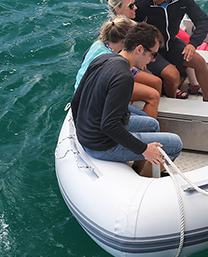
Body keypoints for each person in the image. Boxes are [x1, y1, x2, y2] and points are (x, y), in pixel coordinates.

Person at [71, 22, 182, 178]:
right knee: (175, 144)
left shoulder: (103, 58)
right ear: (139, 49)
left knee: (152, 124)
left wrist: (82, 131)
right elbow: (109, 125)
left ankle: (138, 166)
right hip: (102, 144)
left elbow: (77, 99)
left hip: (88, 133)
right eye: (153, 54)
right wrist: (144, 149)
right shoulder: (123, 77)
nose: (153, 60)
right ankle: (146, 180)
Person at [134, 0, 208, 103]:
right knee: (173, 75)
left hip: (170, 43)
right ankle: (172, 104)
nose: (154, 0)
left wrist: (193, 43)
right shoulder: (142, 1)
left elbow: (202, 20)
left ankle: (207, 97)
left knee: (200, 63)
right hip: (150, 49)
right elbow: (126, 23)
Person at [75, 16, 162, 118]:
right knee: (153, 96)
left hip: (84, 92)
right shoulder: (110, 59)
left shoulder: (99, 44)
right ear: (125, 40)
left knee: (155, 83)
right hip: (94, 103)